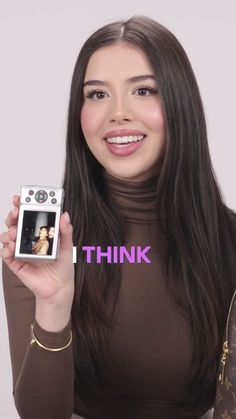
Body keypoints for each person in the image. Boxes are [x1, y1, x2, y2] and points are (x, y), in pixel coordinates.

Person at [0, 15, 236, 419]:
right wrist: (53, 306)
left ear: (181, 104)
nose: (117, 114)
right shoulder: (44, 238)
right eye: (96, 95)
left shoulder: (229, 240)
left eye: (143, 90)